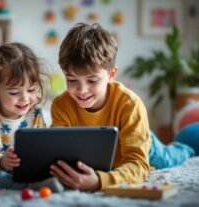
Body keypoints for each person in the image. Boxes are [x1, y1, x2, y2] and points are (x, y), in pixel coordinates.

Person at [50, 23, 194, 192]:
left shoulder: (130, 105)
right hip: (112, 151)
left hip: (141, 141)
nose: (81, 90)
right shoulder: (60, 105)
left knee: (169, 158)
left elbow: (138, 164)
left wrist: (100, 181)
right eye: (72, 80)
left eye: (92, 80)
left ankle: (185, 147)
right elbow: (58, 153)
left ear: (111, 75)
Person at [0, 42, 63, 192]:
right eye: (15, 93)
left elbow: (41, 148)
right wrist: (1, 161)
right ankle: (23, 186)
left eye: (31, 90)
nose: (25, 99)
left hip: (23, 171)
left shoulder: (35, 113)